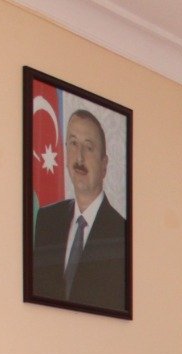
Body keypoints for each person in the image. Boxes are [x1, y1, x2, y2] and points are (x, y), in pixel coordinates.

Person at [32, 108, 128, 310]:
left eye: (89, 147)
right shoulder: (47, 220)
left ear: (104, 164)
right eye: (73, 144)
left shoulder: (122, 234)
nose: (79, 158)